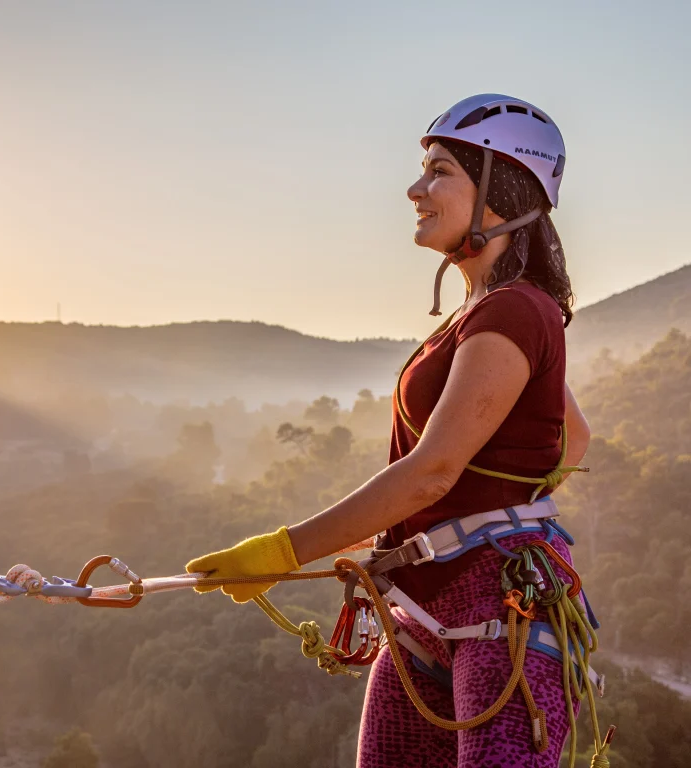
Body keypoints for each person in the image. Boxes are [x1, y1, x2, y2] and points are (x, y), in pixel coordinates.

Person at [186, 94, 592, 768]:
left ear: (502, 188)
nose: (415, 189)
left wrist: (285, 552)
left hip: (500, 611)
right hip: (425, 611)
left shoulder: (516, 311)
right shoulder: (491, 313)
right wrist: (497, 506)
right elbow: (570, 437)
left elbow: (433, 470)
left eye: (439, 172)